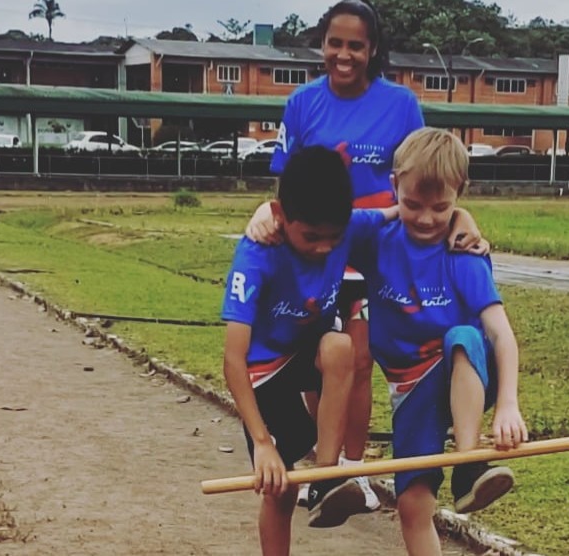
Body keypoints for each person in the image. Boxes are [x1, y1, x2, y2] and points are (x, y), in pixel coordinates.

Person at [262, 0, 469, 512]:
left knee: (358, 357)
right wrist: (269, 220)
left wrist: (460, 217)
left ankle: (353, 470)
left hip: (377, 248)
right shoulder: (303, 102)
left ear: (373, 49)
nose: (344, 55)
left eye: (356, 45)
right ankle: (323, 462)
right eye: (336, 43)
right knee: (320, 355)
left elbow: (428, 173)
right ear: (323, 45)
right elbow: (286, 181)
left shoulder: (401, 104)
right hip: (318, 249)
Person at [347, 128, 529, 555]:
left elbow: (501, 333)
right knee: (413, 506)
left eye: (441, 207)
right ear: (394, 186)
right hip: (413, 392)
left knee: (463, 335)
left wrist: (508, 405)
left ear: (460, 193)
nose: (427, 219)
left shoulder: (463, 255)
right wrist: (395, 213)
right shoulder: (378, 242)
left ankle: (469, 463)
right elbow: (330, 224)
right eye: (413, 204)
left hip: (469, 371)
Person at [222, 146, 398, 554]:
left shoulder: (350, 227)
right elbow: (233, 360)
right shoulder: (256, 255)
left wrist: (463, 218)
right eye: (311, 237)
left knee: (340, 345)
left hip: (309, 355)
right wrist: (262, 442)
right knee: (279, 491)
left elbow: (406, 212)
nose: (323, 248)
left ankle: (325, 478)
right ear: (280, 216)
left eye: (332, 239)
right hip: (263, 374)